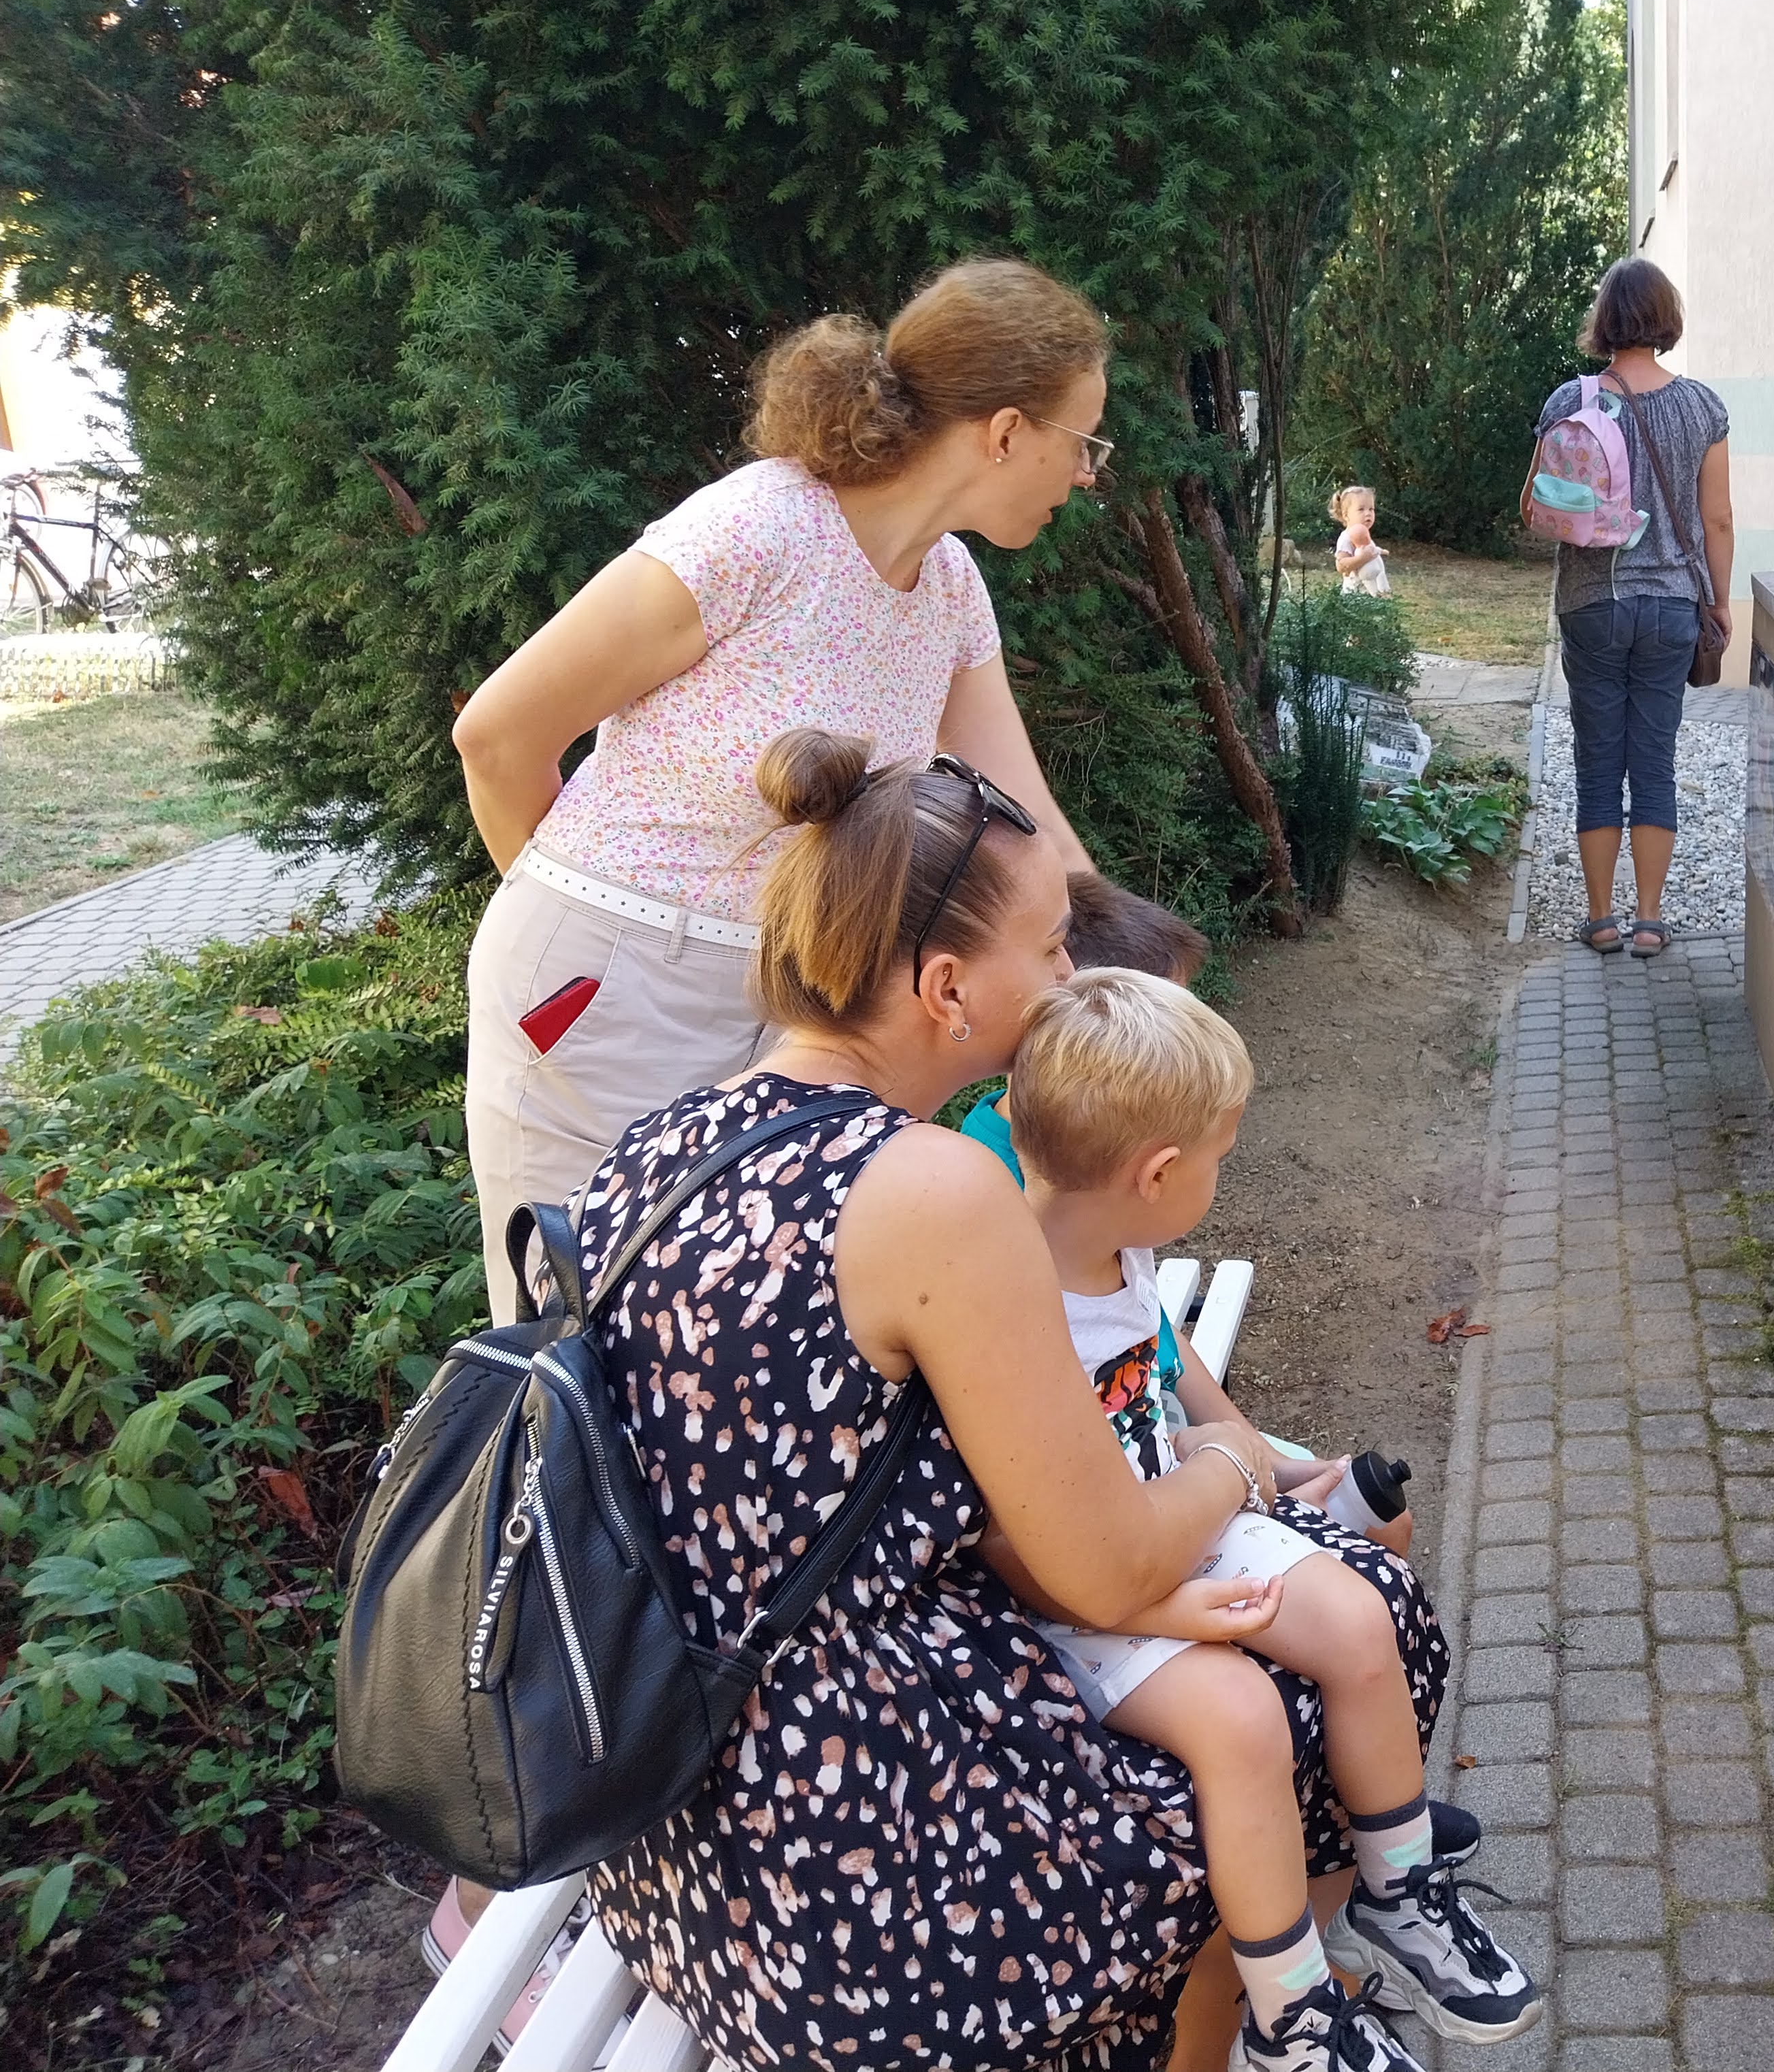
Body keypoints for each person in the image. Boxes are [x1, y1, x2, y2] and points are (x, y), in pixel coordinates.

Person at [563, 729, 1448, 2072]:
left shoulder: (664, 1143)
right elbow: (1109, 1569)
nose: (1068, 980)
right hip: (873, 1846)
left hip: (683, 1819)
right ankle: (1295, 2008)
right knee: (1328, 1647)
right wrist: (1231, 1460)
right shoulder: (930, 1187)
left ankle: (1303, 1997)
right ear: (945, 988)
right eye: (1047, 949)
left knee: (1305, 1629)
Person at [451, 257, 1112, 1317]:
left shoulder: (949, 587)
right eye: (1083, 442)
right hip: (608, 991)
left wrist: (1119, 984)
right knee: (582, 1337)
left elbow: (1026, 819)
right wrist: (596, 938)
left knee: (744, 1339)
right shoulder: (754, 532)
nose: (1086, 474)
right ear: (1004, 432)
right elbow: (496, 736)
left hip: (792, 1005)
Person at [1004, 970, 1541, 2062]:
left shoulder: (1116, 1250)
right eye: (1219, 1157)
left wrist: (1232, 1463)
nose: (1222, 1173)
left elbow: (1149, 1407)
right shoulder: (1010, 1309)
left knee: (1358, 1620)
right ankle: (1290, 2013)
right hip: (1081, 1600)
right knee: (1242, 1722)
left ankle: (1399, 1891)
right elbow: (1004, 1535)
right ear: (1158, 1175)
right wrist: (1162, 1606)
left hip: (1171, 1520)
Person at [955, 881, 1421, 1563]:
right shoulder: (996, 1200)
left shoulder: (1100, 1208)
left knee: (1383, 1525)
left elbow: (1155, 1333)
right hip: (1132, 1486)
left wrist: (1260, 1459)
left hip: (1162, 1434)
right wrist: (1243, 1479)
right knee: (1367, 1558)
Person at [1524, 257, 1730, 961]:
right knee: (1654, 760)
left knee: (1597, 761)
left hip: (1591, 603)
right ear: (1666, 319)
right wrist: (1719, 601)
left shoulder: (1570, 401)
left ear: (1605, 320)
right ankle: (1648, 920)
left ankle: (1601, 919)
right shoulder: (1701, 407)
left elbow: (1532, 507)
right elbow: (1718, 519)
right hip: (1672, 606)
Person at [1332, 484, 1391, 596]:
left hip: (1370, 593)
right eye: (1361, 509)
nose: (1368, 513)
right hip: (1355, 595)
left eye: (1371, 509)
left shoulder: (1364, 534)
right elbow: (1341, 566)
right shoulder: (1346, 538)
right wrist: (1362, 558)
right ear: (1346, 515)